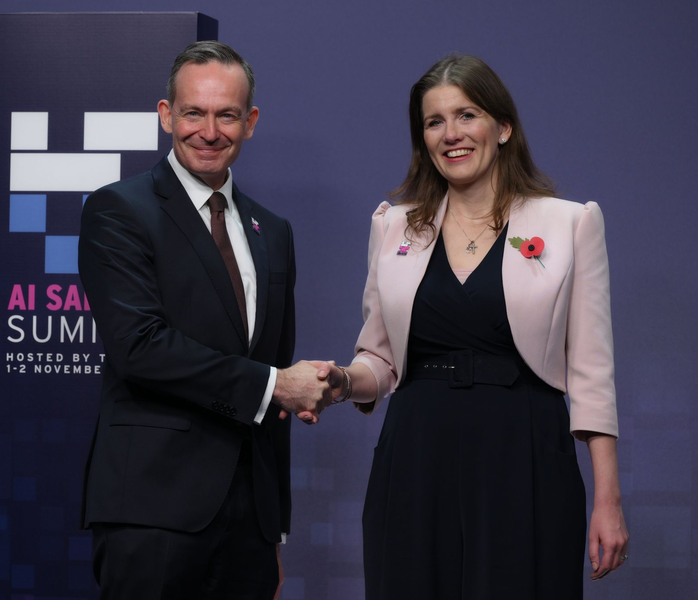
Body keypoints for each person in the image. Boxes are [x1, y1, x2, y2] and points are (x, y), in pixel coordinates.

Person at [317, 54, 630, 598]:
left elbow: (591, 372)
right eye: (434, 121)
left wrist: (608, 499)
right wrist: (342, 381)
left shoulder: (570, 222)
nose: (450, 134)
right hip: (416, 454)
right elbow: (381, 360)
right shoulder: (393, 225)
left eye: (467, 115)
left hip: (524, 453)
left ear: (503, 127)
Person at [78, 41, 332, 599]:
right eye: (193, 112)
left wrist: (275, 531)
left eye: (227, 115)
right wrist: (275, 385)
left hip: (249, 526)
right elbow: (139, 347)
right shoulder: (118, 209)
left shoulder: (275, 231)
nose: (209, 131)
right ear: (167, 114)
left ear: (251, 122)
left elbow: (275, 396)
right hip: (151, 512)